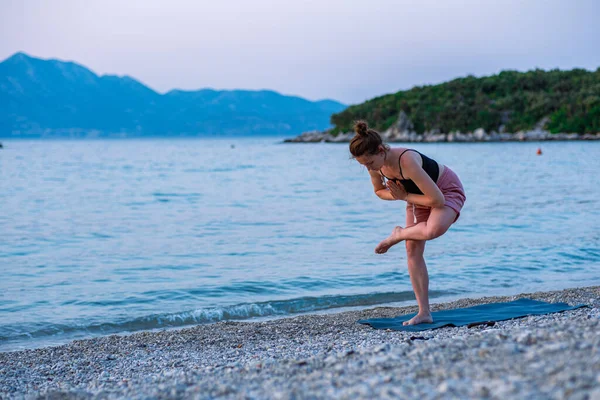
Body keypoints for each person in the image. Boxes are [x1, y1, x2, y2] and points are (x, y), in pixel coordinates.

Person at [350, 120, 466, 325]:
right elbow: (378, 191)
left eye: (369, 163)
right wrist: (401, 196)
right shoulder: (375, 166)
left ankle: (398, 234)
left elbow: (437, 200)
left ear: (380, 150)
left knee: (433, 230)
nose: (369, 168)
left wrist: (404, 196)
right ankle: (424, 312)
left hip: (445, 191)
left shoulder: (407, 161)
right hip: (416, 198)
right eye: (364, 165)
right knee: (412, 251)